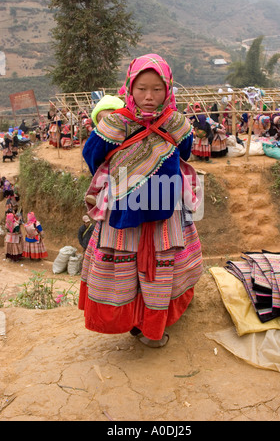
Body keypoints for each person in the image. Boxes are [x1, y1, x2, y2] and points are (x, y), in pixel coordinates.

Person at [79, 53, 203, 348]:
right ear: (129, 89)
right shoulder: (116, 123)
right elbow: (92, 154)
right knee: (129, 267)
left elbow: (186, 149)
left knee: (160, 265)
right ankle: (136, 322)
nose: (149, 97)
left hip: (165, 210)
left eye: (157, 89)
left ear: (168, 89)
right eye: (142, 88)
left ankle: (152, 326)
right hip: (125, 211)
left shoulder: (175, 121)